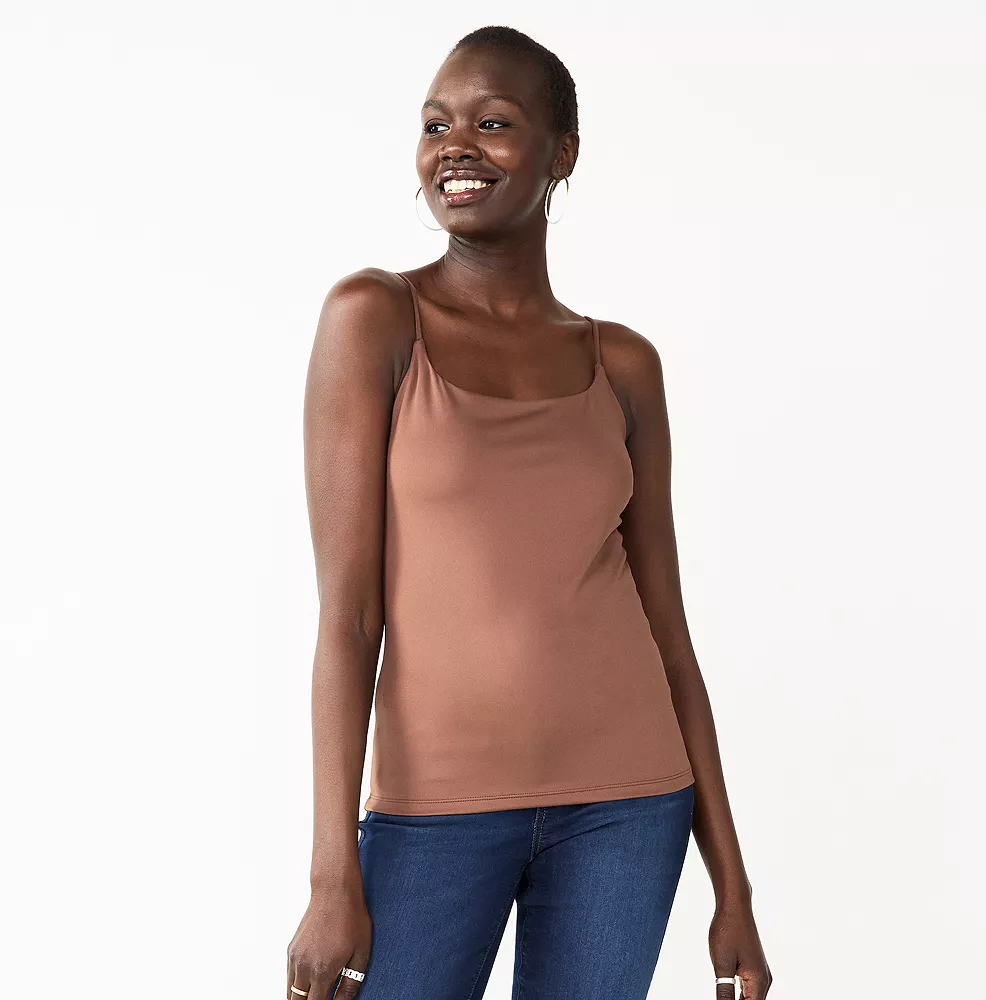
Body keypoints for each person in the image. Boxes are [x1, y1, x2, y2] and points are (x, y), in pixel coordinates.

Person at [287, 24, 772, 1000]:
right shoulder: (373, 319)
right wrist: (331, 874)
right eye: (436, 125)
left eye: (493, 122)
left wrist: (734, 887)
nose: (455, 147)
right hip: (432, 811)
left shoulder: (622, 365)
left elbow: (668, 631)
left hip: (628, 807)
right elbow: (348, 617)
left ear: (562, 153)